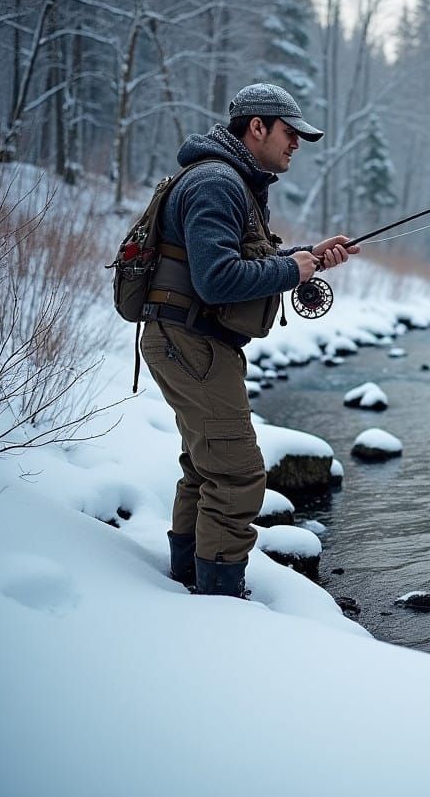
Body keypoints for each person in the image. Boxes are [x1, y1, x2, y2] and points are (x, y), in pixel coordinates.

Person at [139, 82, 359, 598]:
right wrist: (290, 268)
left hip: (195, 340)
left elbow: (238, 261)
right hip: (190, 341)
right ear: (255, 127)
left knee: (205, 466)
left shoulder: (232, 180)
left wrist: (307, 255)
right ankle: (219, 598)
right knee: (237, 475)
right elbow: (217, 278)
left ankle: (189, 579)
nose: (296, 144)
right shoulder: (217, 182)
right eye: (290, 132)